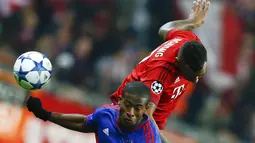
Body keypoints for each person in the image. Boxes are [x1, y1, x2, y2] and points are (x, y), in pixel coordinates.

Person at [110, 0, 210, 141]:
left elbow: (164, 29)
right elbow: (145, 116)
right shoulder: (160, 72)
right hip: (129, 120)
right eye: (193, 74)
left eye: (201, 72)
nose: (197, 79)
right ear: (179, 63)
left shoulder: (187, 40)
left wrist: (191, 21)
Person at [26, 81, 162, 143]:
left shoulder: (149, 138)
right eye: (128, 105)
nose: (131, 112)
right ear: (120, 100)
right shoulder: (105, 114)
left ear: (145, 109)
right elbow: (84, 123)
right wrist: (45, 114)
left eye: (137, 108)